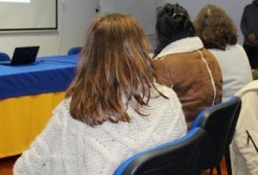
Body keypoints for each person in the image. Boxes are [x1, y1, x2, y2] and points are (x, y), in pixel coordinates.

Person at [13, 14, 187, 175]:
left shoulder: (74, 111)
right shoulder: (169, 100)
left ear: (90, 56)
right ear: (141, 51)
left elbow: (26, 169)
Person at [153, 3, 223, 127]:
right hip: (209, 132)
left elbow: (153, 110)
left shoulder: (163, 64)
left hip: (183, 137)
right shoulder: (209, 56)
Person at [194, 4, 253, 102]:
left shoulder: (207, 56)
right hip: (247, 105)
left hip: (224, 111)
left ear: (200, 30)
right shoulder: (240, 48)